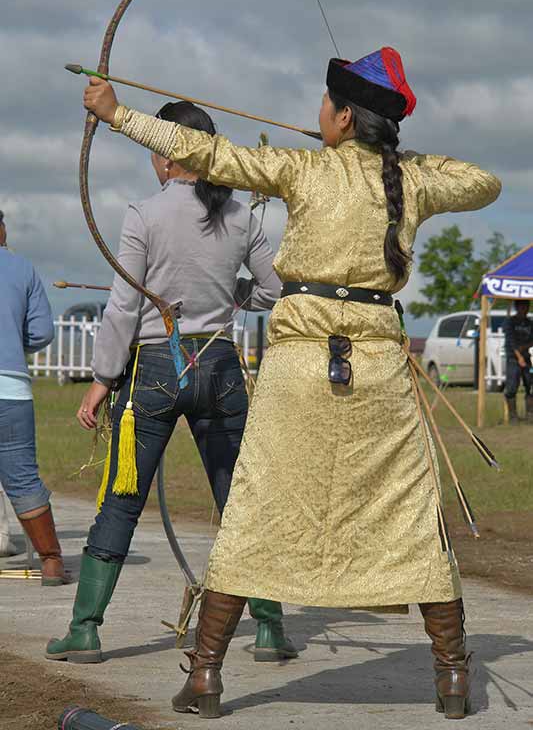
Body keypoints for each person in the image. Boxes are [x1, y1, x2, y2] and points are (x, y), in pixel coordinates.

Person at [81, 47, 501, 720]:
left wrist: (117, 114)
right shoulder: (407, 181)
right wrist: (396, 162)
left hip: (301, 366)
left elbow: (206, 154)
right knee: (411, 514)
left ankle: (206, 676)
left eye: (327, 105)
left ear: (343, 116)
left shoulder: (302, 168)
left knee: (254, 509)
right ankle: (451, 676)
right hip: (378, 368)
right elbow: (483, 182)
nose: (319, 113)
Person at [46, 101, 297, 665]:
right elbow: (273, 290)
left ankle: (85, 630)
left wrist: (101, 379)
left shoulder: (145, 213)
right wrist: (231, 295)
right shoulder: (241, 216)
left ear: (166, 154)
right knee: (239, 500)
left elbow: (122, 307)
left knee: (121, 501)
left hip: (155, 370)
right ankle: (269, 628)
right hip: (220, 367)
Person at [0, 210, 70, 584]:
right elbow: (42, 332)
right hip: (11, 389)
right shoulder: (22, 268)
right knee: (23, 477)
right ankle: (51, 560)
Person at [503, 300, 533, 423]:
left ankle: (530, 415)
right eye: (522, 306)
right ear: (517, 307)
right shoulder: (510, 322)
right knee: (511, 387)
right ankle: (513, 416)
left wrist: (525, 348)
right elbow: (511, 341)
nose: (525, 309)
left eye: (527, 307)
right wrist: (519, 356)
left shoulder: (530, 323)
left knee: (530, 385)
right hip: (513, 358)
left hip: (527, 358)